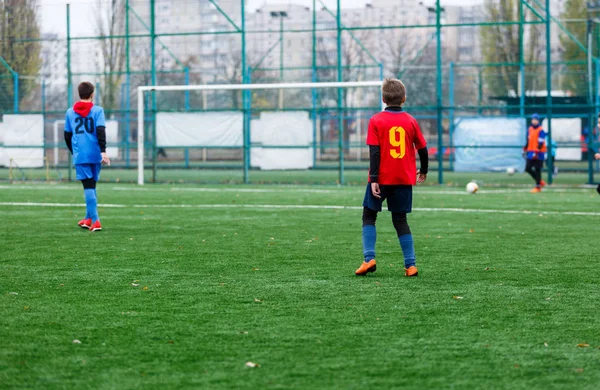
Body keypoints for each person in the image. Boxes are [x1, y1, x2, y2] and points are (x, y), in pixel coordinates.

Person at [355, 78, 428, 277]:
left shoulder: (376, 120)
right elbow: (422, 148)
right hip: (403, 179)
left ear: (383, 99)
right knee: (400, 219)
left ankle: (369, 259)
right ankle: (410, 265)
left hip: (382, 178)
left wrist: (374, 178)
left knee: (369, 215)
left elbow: (375, 152)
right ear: (404, 98)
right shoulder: (410, 120)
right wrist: (424, 170)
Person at [64, 82, 110, 232]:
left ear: (79, 94)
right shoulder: (98, 110)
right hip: (95, 153)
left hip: (81, 154)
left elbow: (67, 135)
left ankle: (95, 220)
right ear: (92, 94)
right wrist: (103, 151)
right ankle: (88, 218)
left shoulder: (70, 112)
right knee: (92, 185)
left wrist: (74, 152)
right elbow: (100, 130)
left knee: (88, 186)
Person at [524, 113, 547, 193]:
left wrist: (537, 150)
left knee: (537, 169)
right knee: (527, 168)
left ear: (538, 121)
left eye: (536, 120)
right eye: (533, 119)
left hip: (539, 152)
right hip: (531, 151)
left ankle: (538, 187)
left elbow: (541, 142)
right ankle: (540, 181)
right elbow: (528, 140)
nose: (534, 121)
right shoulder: (530, 129)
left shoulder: (541, 130)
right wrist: (525, 148)